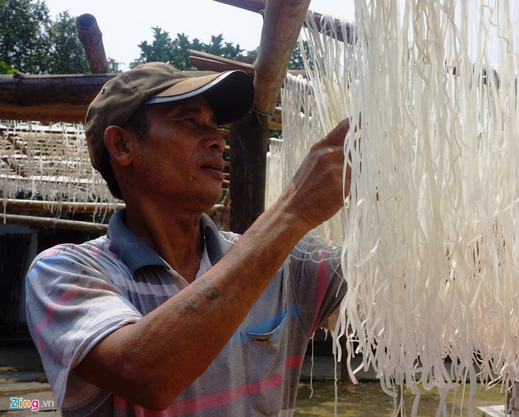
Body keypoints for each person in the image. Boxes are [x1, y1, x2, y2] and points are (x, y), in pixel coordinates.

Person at [25, 62, 349, 416]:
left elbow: (403, 290)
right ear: (122, 145)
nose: (218, 140)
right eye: (189, 121)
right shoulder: (64, 272)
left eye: (215, 125)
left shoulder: (289, 265)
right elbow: (147, 374)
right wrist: (292, 211)